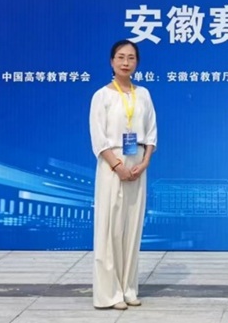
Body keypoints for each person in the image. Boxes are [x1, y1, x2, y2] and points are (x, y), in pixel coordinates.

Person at [89, 39, 157, 310]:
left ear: (137, 62)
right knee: (110, 229)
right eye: (120, 57)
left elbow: (151, 133)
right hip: (112, 165)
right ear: (111, 61)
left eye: (131, 58)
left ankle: (128, 288)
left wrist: (144, 162)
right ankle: (110, 293)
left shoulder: (144, 94)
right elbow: (98, 138)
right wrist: (117, 166)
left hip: (138, 165)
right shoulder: (102, 96)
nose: (126, 62)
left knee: (132, 229)